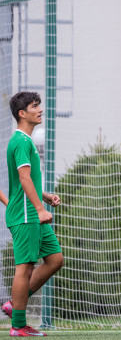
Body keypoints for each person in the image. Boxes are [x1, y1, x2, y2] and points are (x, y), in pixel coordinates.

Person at [3, 92, 63, 337]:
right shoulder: (21, 141)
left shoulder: (26, 141)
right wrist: (40, 209)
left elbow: (27, 181)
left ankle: (14, 305)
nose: (40, 110)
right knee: (25, 267)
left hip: (32, 211)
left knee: (55, 259)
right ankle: (18, 325)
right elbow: (24, 178)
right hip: (27, 214)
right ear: (22, 113)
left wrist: (44, 196)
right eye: (34, 106)